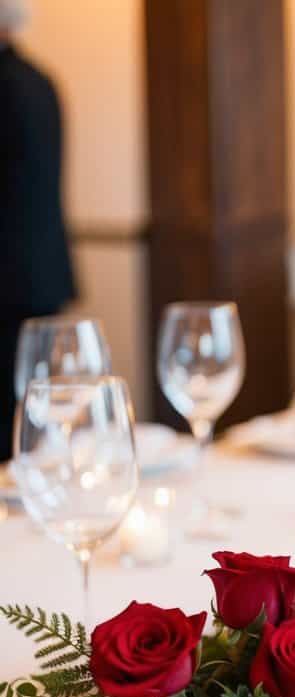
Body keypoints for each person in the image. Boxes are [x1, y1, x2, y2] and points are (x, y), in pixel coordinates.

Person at [0, 0, 75, 460]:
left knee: (13, 431)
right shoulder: (41, 81)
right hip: (42, 273)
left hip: (7, 283)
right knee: (32, 423)